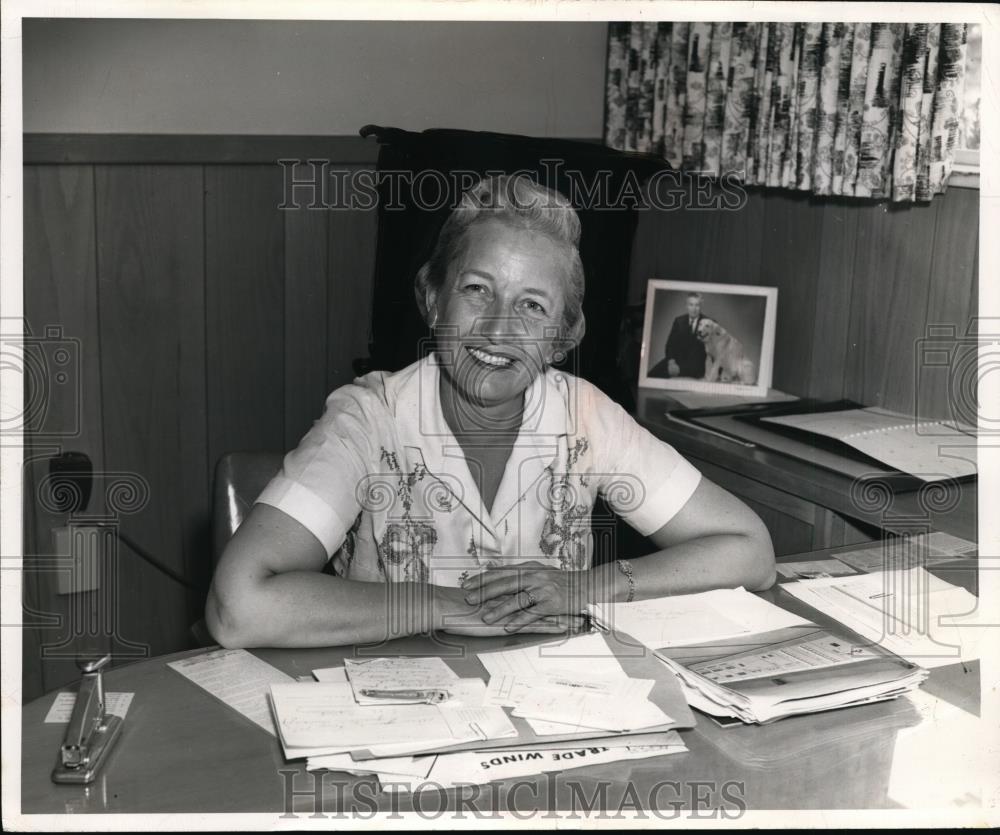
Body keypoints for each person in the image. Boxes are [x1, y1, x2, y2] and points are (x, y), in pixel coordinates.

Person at [205, 176, 775, 649]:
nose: (500, 328)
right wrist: (444, 605)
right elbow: (239, 606)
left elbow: (749, 550)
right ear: (432, 298)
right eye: (477, 289)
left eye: (532, 305)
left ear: (563, 336)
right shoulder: (369, 418)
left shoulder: (585, 416)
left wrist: (582, 589)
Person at [649, 292, 708, 379]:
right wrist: (671, 362)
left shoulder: (709, 322)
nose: (694, 309)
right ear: (686, 306)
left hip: (696, 365)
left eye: (697, 305)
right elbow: (670, 345)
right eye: (691, 305)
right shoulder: (679, 321)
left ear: (701, 307)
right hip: (677, 361)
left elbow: (714, 350)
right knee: (651, 375)